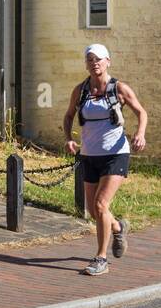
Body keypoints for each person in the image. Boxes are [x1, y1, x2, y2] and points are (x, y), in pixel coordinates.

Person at [63, 44, 147, 276]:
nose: (94, 63)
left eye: (98, 59)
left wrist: (140, 133)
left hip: (115, 153)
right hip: (90, 154)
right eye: (90, 60)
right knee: (93, 210)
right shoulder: (80, 90)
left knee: (101, 204)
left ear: (108, 61)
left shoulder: (119, 88)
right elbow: (69, 115)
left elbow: (141, 112)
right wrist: (69, 138)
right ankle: (118, 228)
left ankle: (101, 259)